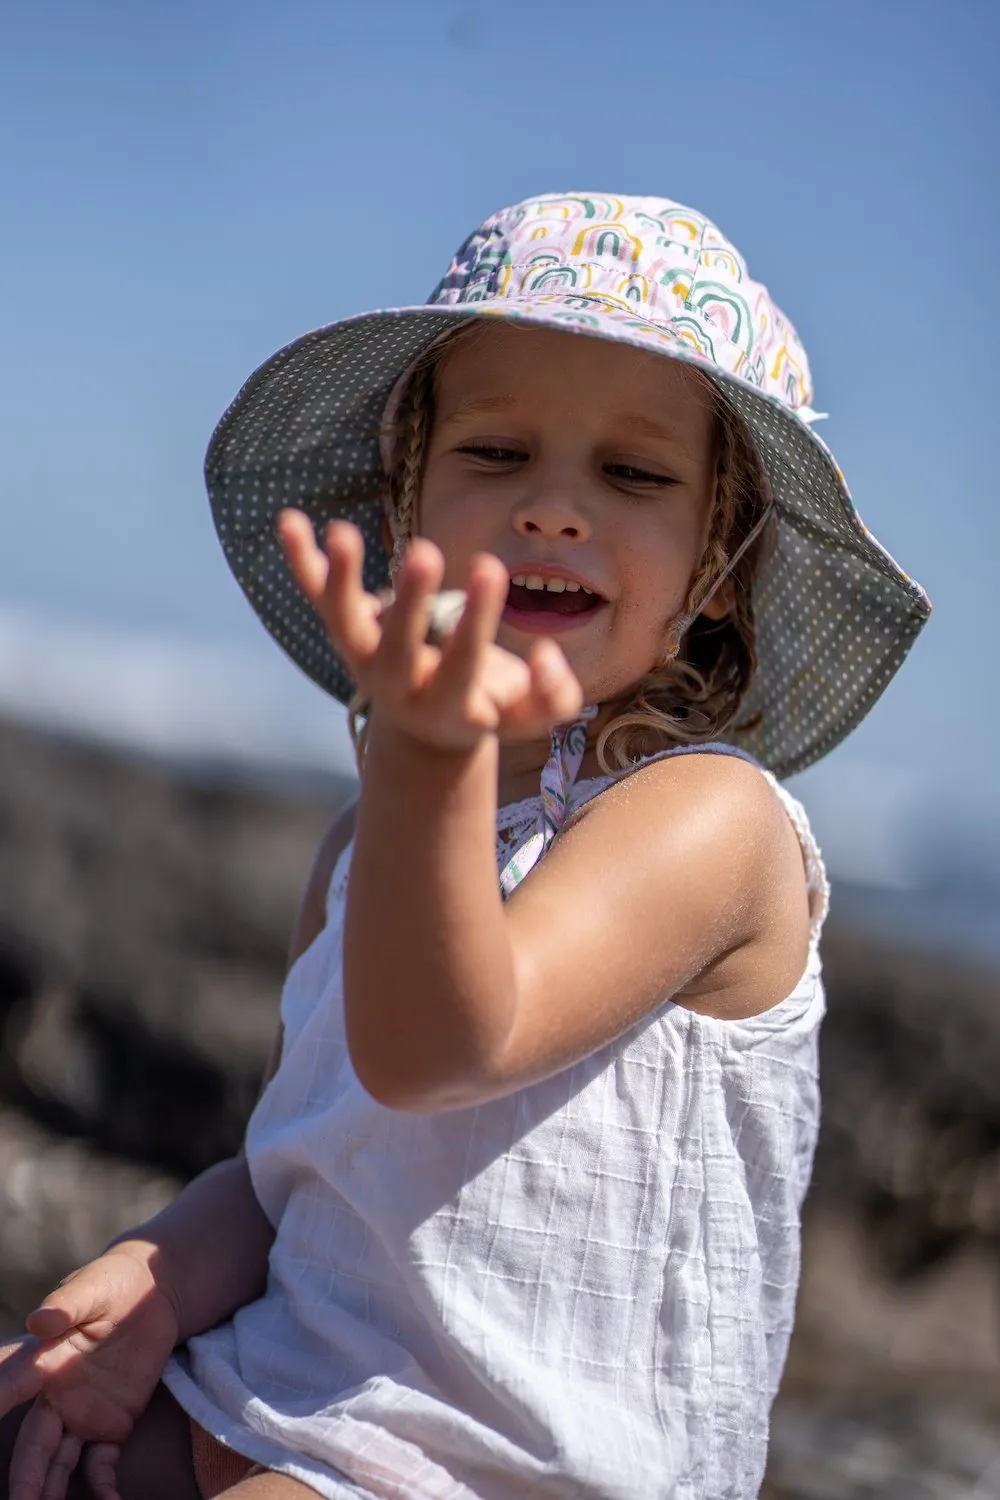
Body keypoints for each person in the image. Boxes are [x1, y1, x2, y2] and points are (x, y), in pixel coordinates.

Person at [0, 192, 930, 1500]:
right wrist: (152, 1281)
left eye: (636, 473)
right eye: (496, 453)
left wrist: (426, 761)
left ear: (719, 564)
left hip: (498, 1470)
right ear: (408, 505)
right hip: (276, 1397)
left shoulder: (705, 822)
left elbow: (446, 1046)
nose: (555, 508)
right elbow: (300, 1167)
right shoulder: (359, 848)